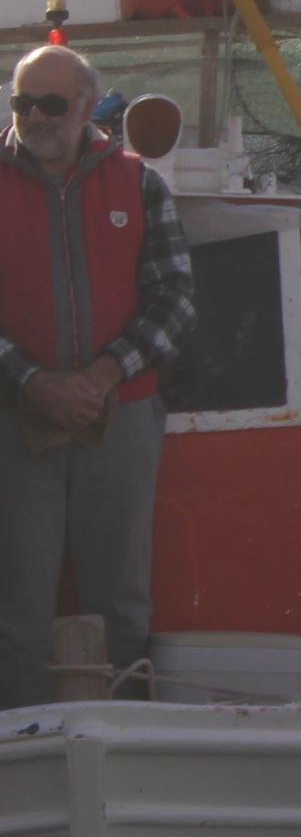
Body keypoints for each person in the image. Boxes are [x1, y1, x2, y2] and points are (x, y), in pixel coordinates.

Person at [0, 44, 196, 707]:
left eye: (51, 104)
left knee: (121, 599)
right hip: (14, 421)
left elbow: (176, 299)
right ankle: (21, 745)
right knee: (16, 604)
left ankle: (128, 739)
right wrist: (32, 382)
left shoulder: (139, 184)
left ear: (87, 107)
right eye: (22, 102)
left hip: (123, 419)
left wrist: (106, 374)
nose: (34, 116)